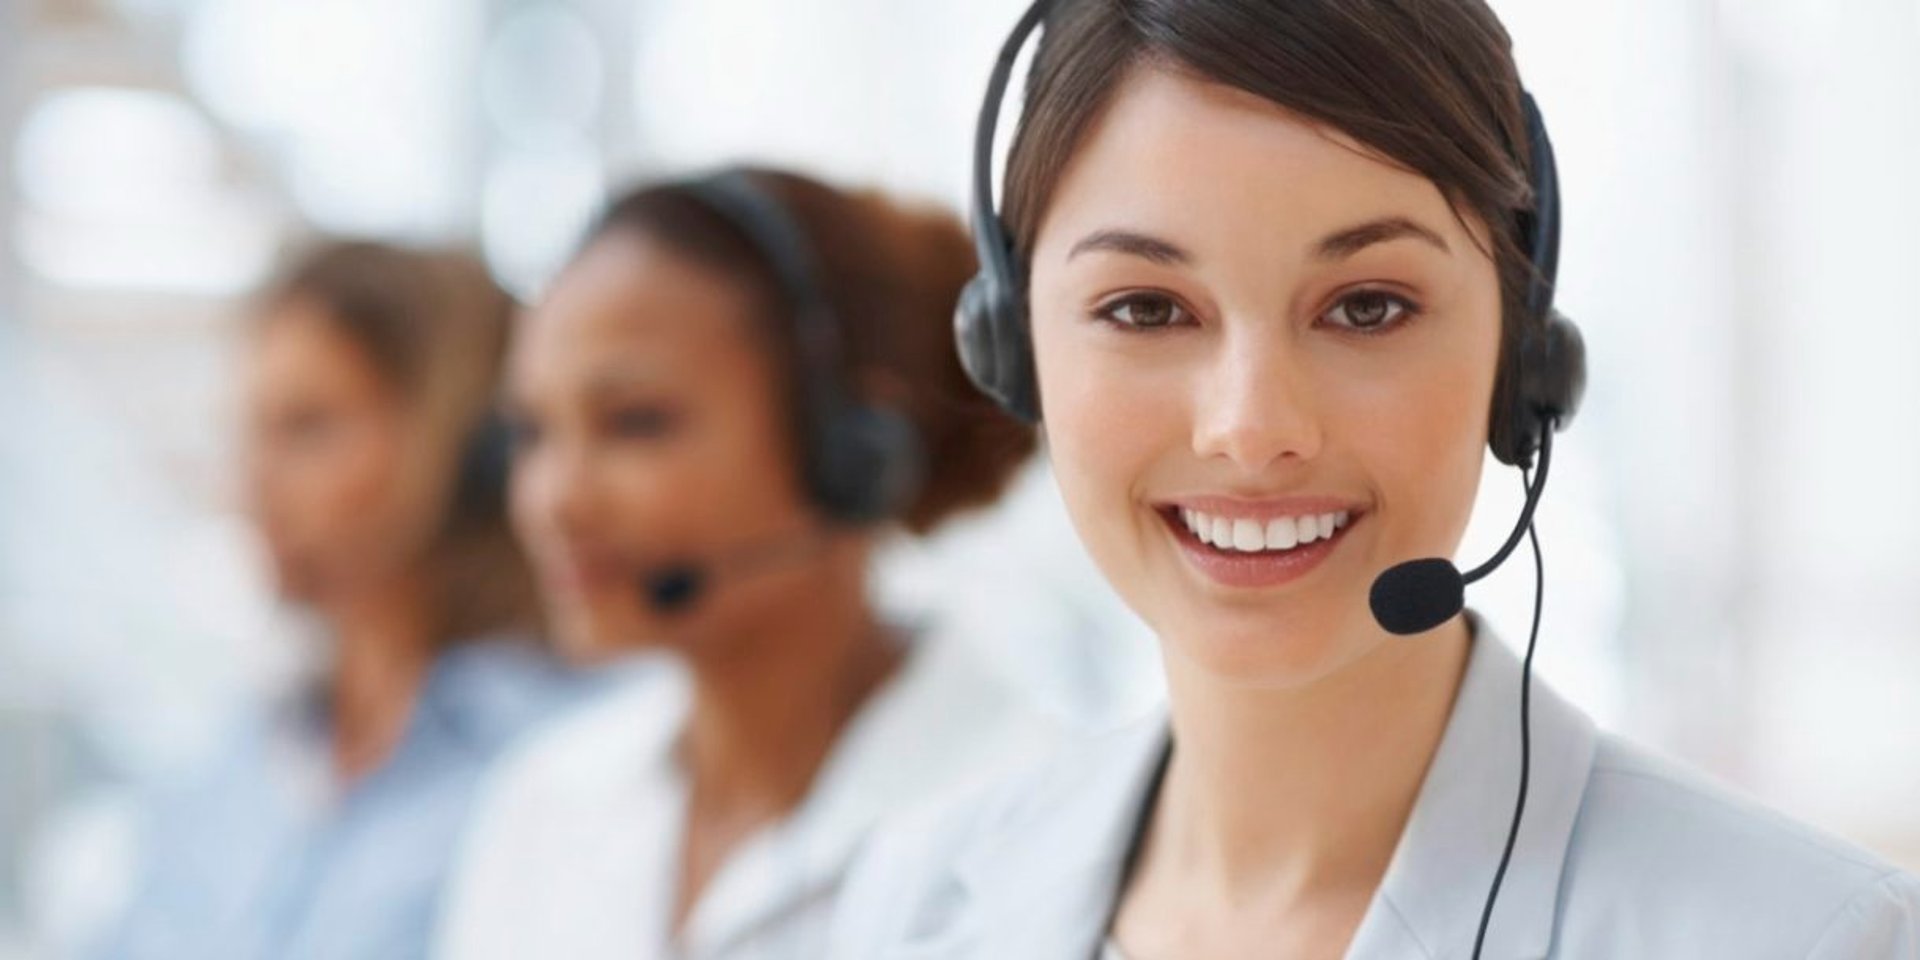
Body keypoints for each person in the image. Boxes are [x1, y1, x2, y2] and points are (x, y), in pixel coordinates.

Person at [829, 2, 1920, 958]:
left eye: (1366, 308)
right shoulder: (907, 904)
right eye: (1146, 309)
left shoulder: (1815, 939)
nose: (1253, 431)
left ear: (1521, 357)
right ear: (1012, 349)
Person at [433, 168, 1059, 959]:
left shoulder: (1037, 826)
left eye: (634, 423)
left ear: (855, 450)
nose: (553, 498)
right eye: (532, 433)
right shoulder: (542, 808)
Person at [98, 241, 590, 960]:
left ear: (472, 448)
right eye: (251, 433)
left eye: (309, 428)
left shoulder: (573, 763)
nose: (254, 482)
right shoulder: (234, 761)